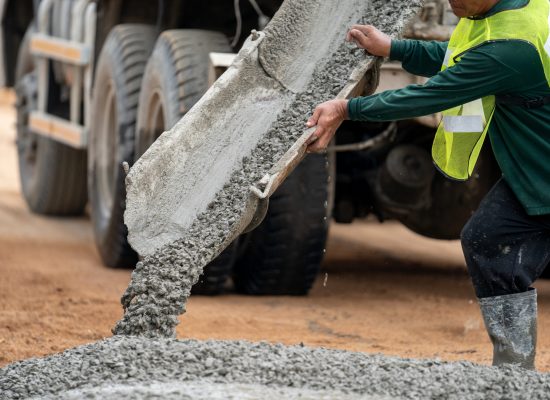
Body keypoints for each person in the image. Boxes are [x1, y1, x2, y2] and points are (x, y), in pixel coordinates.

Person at [306, 0, 550, 370]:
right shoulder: (519, 13)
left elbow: (432, 93)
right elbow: (461, 55)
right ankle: (515, 372)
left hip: (543, 171)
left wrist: (347, 109)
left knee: (492, 239)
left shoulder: (513, 48)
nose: (452, 3)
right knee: (488, 239)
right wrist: (394, 48)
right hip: (536, 170)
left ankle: (515, 372)